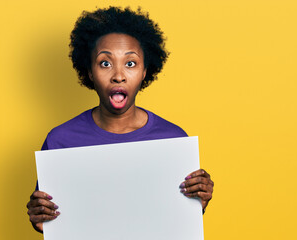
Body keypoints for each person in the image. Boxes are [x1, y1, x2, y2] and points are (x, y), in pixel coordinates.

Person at [26, 6, 214, 233]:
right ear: (89, 72)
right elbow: (50, 221)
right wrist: (39, 217)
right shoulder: (60, 140)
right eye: (105, 63)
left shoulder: (173, 140)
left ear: (145, 71)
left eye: (130, 63)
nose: (118, 75)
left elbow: (178, 222)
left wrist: (198, 202)